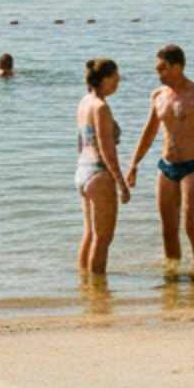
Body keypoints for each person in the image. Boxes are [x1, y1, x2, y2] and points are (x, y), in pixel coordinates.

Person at [126, 45, 194, 268]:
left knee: (191, 226)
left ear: (178, 67)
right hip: (166, 167)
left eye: (163, 69)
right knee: (168, 228)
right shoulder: (158, 96)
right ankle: (173, 276)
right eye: (157, 69)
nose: (159, 74)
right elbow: (149, 132)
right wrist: (134, 164)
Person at [76, 59, 131, 273]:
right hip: (99, 173)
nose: (117, 83)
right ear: (105, 79)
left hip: (82, 171)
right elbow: (107, 150)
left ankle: (85, 287)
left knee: (90, 234)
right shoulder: (101, 107)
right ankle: (98, 293)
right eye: (115, 78)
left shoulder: (84, 102)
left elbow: (81, 143)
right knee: (103, 239)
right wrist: (122, 183)